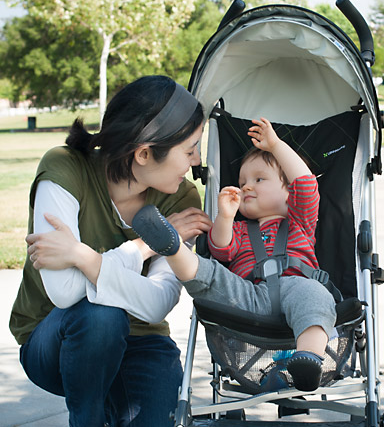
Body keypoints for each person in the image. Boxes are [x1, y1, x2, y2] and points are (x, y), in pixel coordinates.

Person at [9, 76, 213, 427]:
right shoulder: (64, 170)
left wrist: (84, 257)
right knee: (100, 314)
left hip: (141, 341)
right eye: (189, 149)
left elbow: (156, 304)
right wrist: (144, 247)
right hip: (61, 339)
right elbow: (65, 295)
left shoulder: (181, 200)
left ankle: (110, 408)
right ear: (143, 153)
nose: (196, 161)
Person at [132, 117, 336, 393]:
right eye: (242, 181)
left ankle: (309, 359)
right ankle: (173, 247)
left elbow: (306, 184)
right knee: (211, 275)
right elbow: (221, 249)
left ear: (288, 191)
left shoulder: (300, 220)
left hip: (296, 287)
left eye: (259, 179)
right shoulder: (239, 229)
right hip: (246, 296)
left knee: (315, 296)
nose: (246, 186)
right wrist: (225, 217)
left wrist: (275, 145)